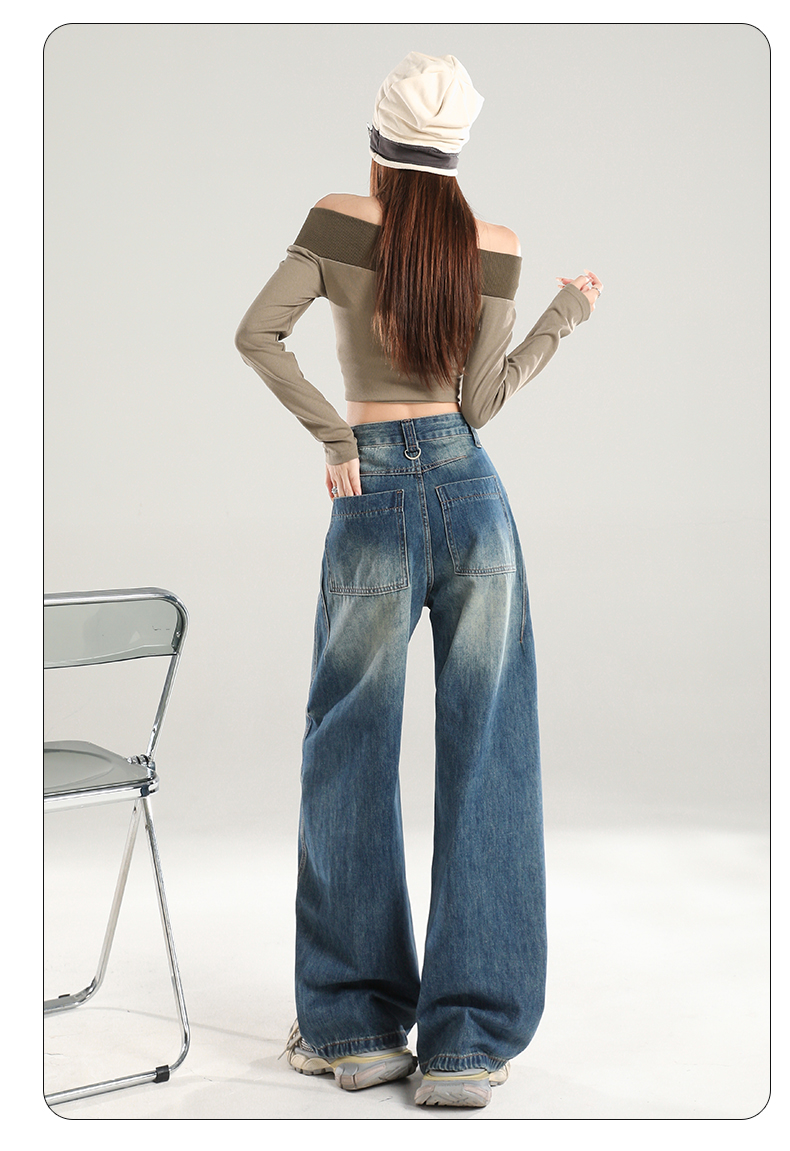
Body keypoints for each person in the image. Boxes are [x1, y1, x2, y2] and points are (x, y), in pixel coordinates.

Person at [235, 51, 601, 1110]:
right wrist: (564, 314)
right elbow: (479, 404)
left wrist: (334, 435)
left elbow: (257, 334)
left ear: (378, 143)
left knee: (346, 747)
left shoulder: (339, 217)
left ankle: (353, 1031)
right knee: (489, 750)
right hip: (470, 493)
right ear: (457, 151)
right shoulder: (494, 244)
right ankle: (465, 1045)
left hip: (371, 496)